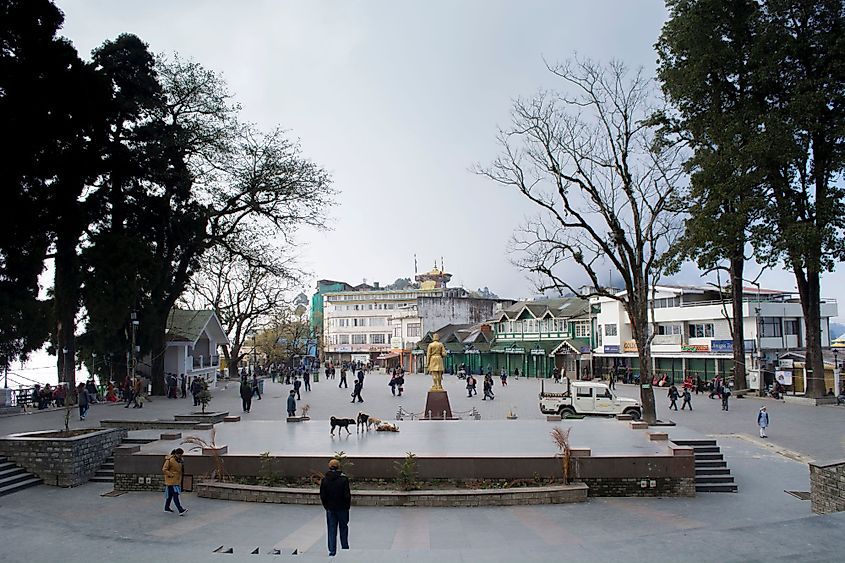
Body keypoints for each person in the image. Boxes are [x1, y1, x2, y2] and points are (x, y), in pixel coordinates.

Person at [320, 458, 351, 556]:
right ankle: (345, 548)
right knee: (343, 528)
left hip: (330, 508)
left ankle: (332, 551)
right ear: (338, 467)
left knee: (331, 529)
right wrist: (347, 507)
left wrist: (327, 506)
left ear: (329, 467)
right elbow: (347, 495)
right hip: (342, 508)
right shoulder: (343, 479)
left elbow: (323, 496)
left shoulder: (325, 480)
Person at [162, 448, 188, 515]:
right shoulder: (170, 460)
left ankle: (166, 508)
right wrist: (171, 475)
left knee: (170, 495)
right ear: (176, 454)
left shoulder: (179, 460)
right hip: (171, 481)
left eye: (181, 455)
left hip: (176, 480)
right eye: (179, 455)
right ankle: (180, 509)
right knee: (175, 495)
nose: (180, 456)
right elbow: (164, 469)